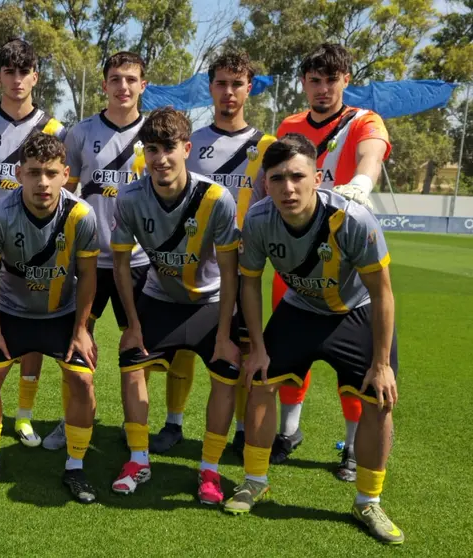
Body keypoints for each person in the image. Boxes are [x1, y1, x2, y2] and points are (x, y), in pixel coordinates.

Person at [229, 133, 403, 545]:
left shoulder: (353, 219)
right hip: (299, 311)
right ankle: (255, 479)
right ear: (265, 183)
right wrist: (255, 348)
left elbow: (382, 293)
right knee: (258, 381)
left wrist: (381, 363)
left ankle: (368, 501)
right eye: (277, 179)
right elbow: (250, 285)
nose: (288, 188)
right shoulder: (257, 221)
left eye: (297, 176)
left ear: (318, 176)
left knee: (379, 400)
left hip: (354, 313)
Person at [61, 51, 198, 455]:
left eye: (131, 79)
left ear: (144, 86)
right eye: (116, 79)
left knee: (139, 344)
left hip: (139, 261)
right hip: (88, 259)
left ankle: (136, 423)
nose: (123, 86)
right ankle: (71, 420)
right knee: (74, 341)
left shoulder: (157, 138)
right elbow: (65, 192)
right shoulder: (80, 133)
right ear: (104, 85)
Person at [272, 44, 391, 481]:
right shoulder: (289, 124)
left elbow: (372, 152)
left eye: (332, 79)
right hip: (293, 251)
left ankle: (353, 448)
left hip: (344, 254)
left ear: (346, 79)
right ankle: (288, 432)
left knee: (353, 363)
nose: (323, 89)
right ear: (304, 82)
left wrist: (361, 180)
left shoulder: (363, 120)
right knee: (288, 354)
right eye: (315, 80)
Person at [110, 107, 241, 503]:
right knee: (131, 360)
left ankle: (210, 470)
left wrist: (223, 332)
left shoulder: (217, 198)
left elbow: (232, 272)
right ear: (143, 153)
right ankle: (138, 459)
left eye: (169, 148)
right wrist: (132, 324)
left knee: (226, 370)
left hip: (210, 302)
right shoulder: (130, 198)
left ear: (187, 148)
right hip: (159, 298)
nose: (161, 158)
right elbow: (119, 263)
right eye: (152, 149)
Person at [0, 133, 100, 504]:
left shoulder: (81, 215)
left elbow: (89, 275)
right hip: (11, 313)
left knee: (82, 382)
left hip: (62, 315)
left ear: (65, 175)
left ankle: (75, 466)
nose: (42, 182)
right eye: (33, 172)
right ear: (18, 174)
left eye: (51, 173)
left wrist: (82, 331)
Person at [0, 38, 66, 448]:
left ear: (35, 77)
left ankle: (23, 416)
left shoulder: (56, 129)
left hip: (40, 253)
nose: (17, 79)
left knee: (35, 338)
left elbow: (62, 189)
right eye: (9, 71)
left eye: (24, 72)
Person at [187, 50, 275, 458]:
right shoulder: (193, 143)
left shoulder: (267, 147)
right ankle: (173, 423)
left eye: (236, 84)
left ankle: (241, 431)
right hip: (197, 263)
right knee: (188, 345)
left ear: (249, 88)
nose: (228, 92)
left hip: (244, 268)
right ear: (211, 88)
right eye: (221, 83)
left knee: (238, 350)